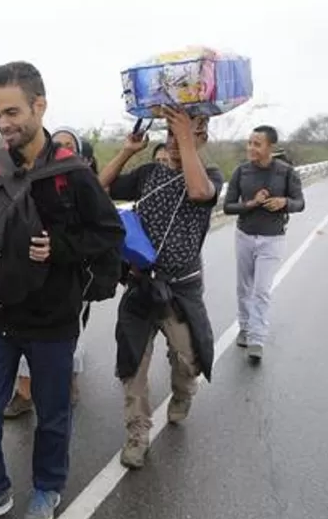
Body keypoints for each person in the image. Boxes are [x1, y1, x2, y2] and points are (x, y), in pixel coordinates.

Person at [0, 61, 124, 519]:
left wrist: (59, 248)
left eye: (12, 112)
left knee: (52, 414)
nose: (3, 123)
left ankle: (47, 488)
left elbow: (109, 234)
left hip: (53, 319)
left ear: (39, 105)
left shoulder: (73, 173)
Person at [99, 108, 224, 470]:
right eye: (169, 131)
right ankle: (137, 432)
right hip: (141, 285)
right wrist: (127, 151)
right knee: (133, 363)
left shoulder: (208, 176)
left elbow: (200, 191)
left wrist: (186, 136)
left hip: (181, 289)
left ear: (201, 136)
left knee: (188, 358)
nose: (173, 137)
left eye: (183, 131)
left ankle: (184, 393)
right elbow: (101, 187)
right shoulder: (149, 173)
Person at [3, 127, 93, 418]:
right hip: (30, 280)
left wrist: (60, 248)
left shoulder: (81, 181)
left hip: (72, 281)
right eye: (57, 144)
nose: (61, 150)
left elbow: (103, 234)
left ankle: (68, 381)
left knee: (69, 339)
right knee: (26, 336)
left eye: (69, 145)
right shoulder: (32, 179)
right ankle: (25, 392)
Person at [223, 125, 304, 361]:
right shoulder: (241, 172)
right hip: (244, 236)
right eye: (249, 143)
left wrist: (284, 203)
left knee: (262, 290)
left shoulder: (286, 172)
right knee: (244, 287)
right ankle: (245, 327)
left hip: (272, 238)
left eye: (257, 144)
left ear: (271, 147)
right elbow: (228, 207)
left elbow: (300, 202)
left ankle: (257, 338)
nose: (251, 148)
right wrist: (252, 203)